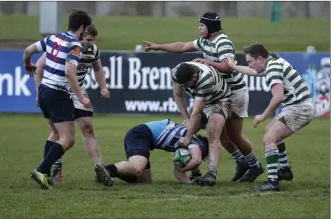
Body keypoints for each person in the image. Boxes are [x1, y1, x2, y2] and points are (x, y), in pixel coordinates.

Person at [143, 12, 263, 182]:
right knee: (219, 133)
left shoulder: (223, 43)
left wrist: (209, 63)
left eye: (202, 25)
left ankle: (254, 165)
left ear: (211, 28)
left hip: (235, 91)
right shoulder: (205, 41)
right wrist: (159, 47)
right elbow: (183, 46)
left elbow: (229, 67)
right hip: (217, 90)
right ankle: (241, 161)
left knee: (233, 135)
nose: (199, 28)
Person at [23, 9, 112, 189]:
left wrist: (26, 63)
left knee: (82, 128)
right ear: (81, 28)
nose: (90, 42)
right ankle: (43, 170)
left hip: (54, 90)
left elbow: (28, 50)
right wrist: (81, 97)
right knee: (66, 137)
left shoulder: (54, 38)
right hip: (59, 91)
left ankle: (96, 166)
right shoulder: (73, 46)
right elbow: (68, 72)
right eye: (87, 33)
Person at [226, 43, 314, 191]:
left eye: (250, 62)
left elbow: (278, 97)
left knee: (269, 139)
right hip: (299, 106)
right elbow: (253, 72)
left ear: (260, 59)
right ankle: (285, 170)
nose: (250, 65)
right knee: (270, 131)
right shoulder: (274, 62)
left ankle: (272, 182)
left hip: (300, 109)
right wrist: (233, 67)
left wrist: (263, 115)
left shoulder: (273, 69)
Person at [171, 61, 231, 186]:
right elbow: (178, 96)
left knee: (212, 132)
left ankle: (211, 174)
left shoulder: (205, 79)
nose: (187, 87)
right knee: (185, 130)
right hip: (200, 100)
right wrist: (187, 120)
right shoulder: (176, 73)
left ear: (194, 77)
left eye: (188, 85)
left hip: (219, 100)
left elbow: (197, 112)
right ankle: (195, 172)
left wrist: (188, 137)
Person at [102, 118, 209, 185]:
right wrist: (186, 171)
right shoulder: (194, 141)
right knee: (137, 168)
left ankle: (108, 173)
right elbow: (196, 159)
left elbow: (179, 174)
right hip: (141, 134)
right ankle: (108, 169)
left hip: (143, 136)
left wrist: (191, 181)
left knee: (144, 182)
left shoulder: (184, 145)